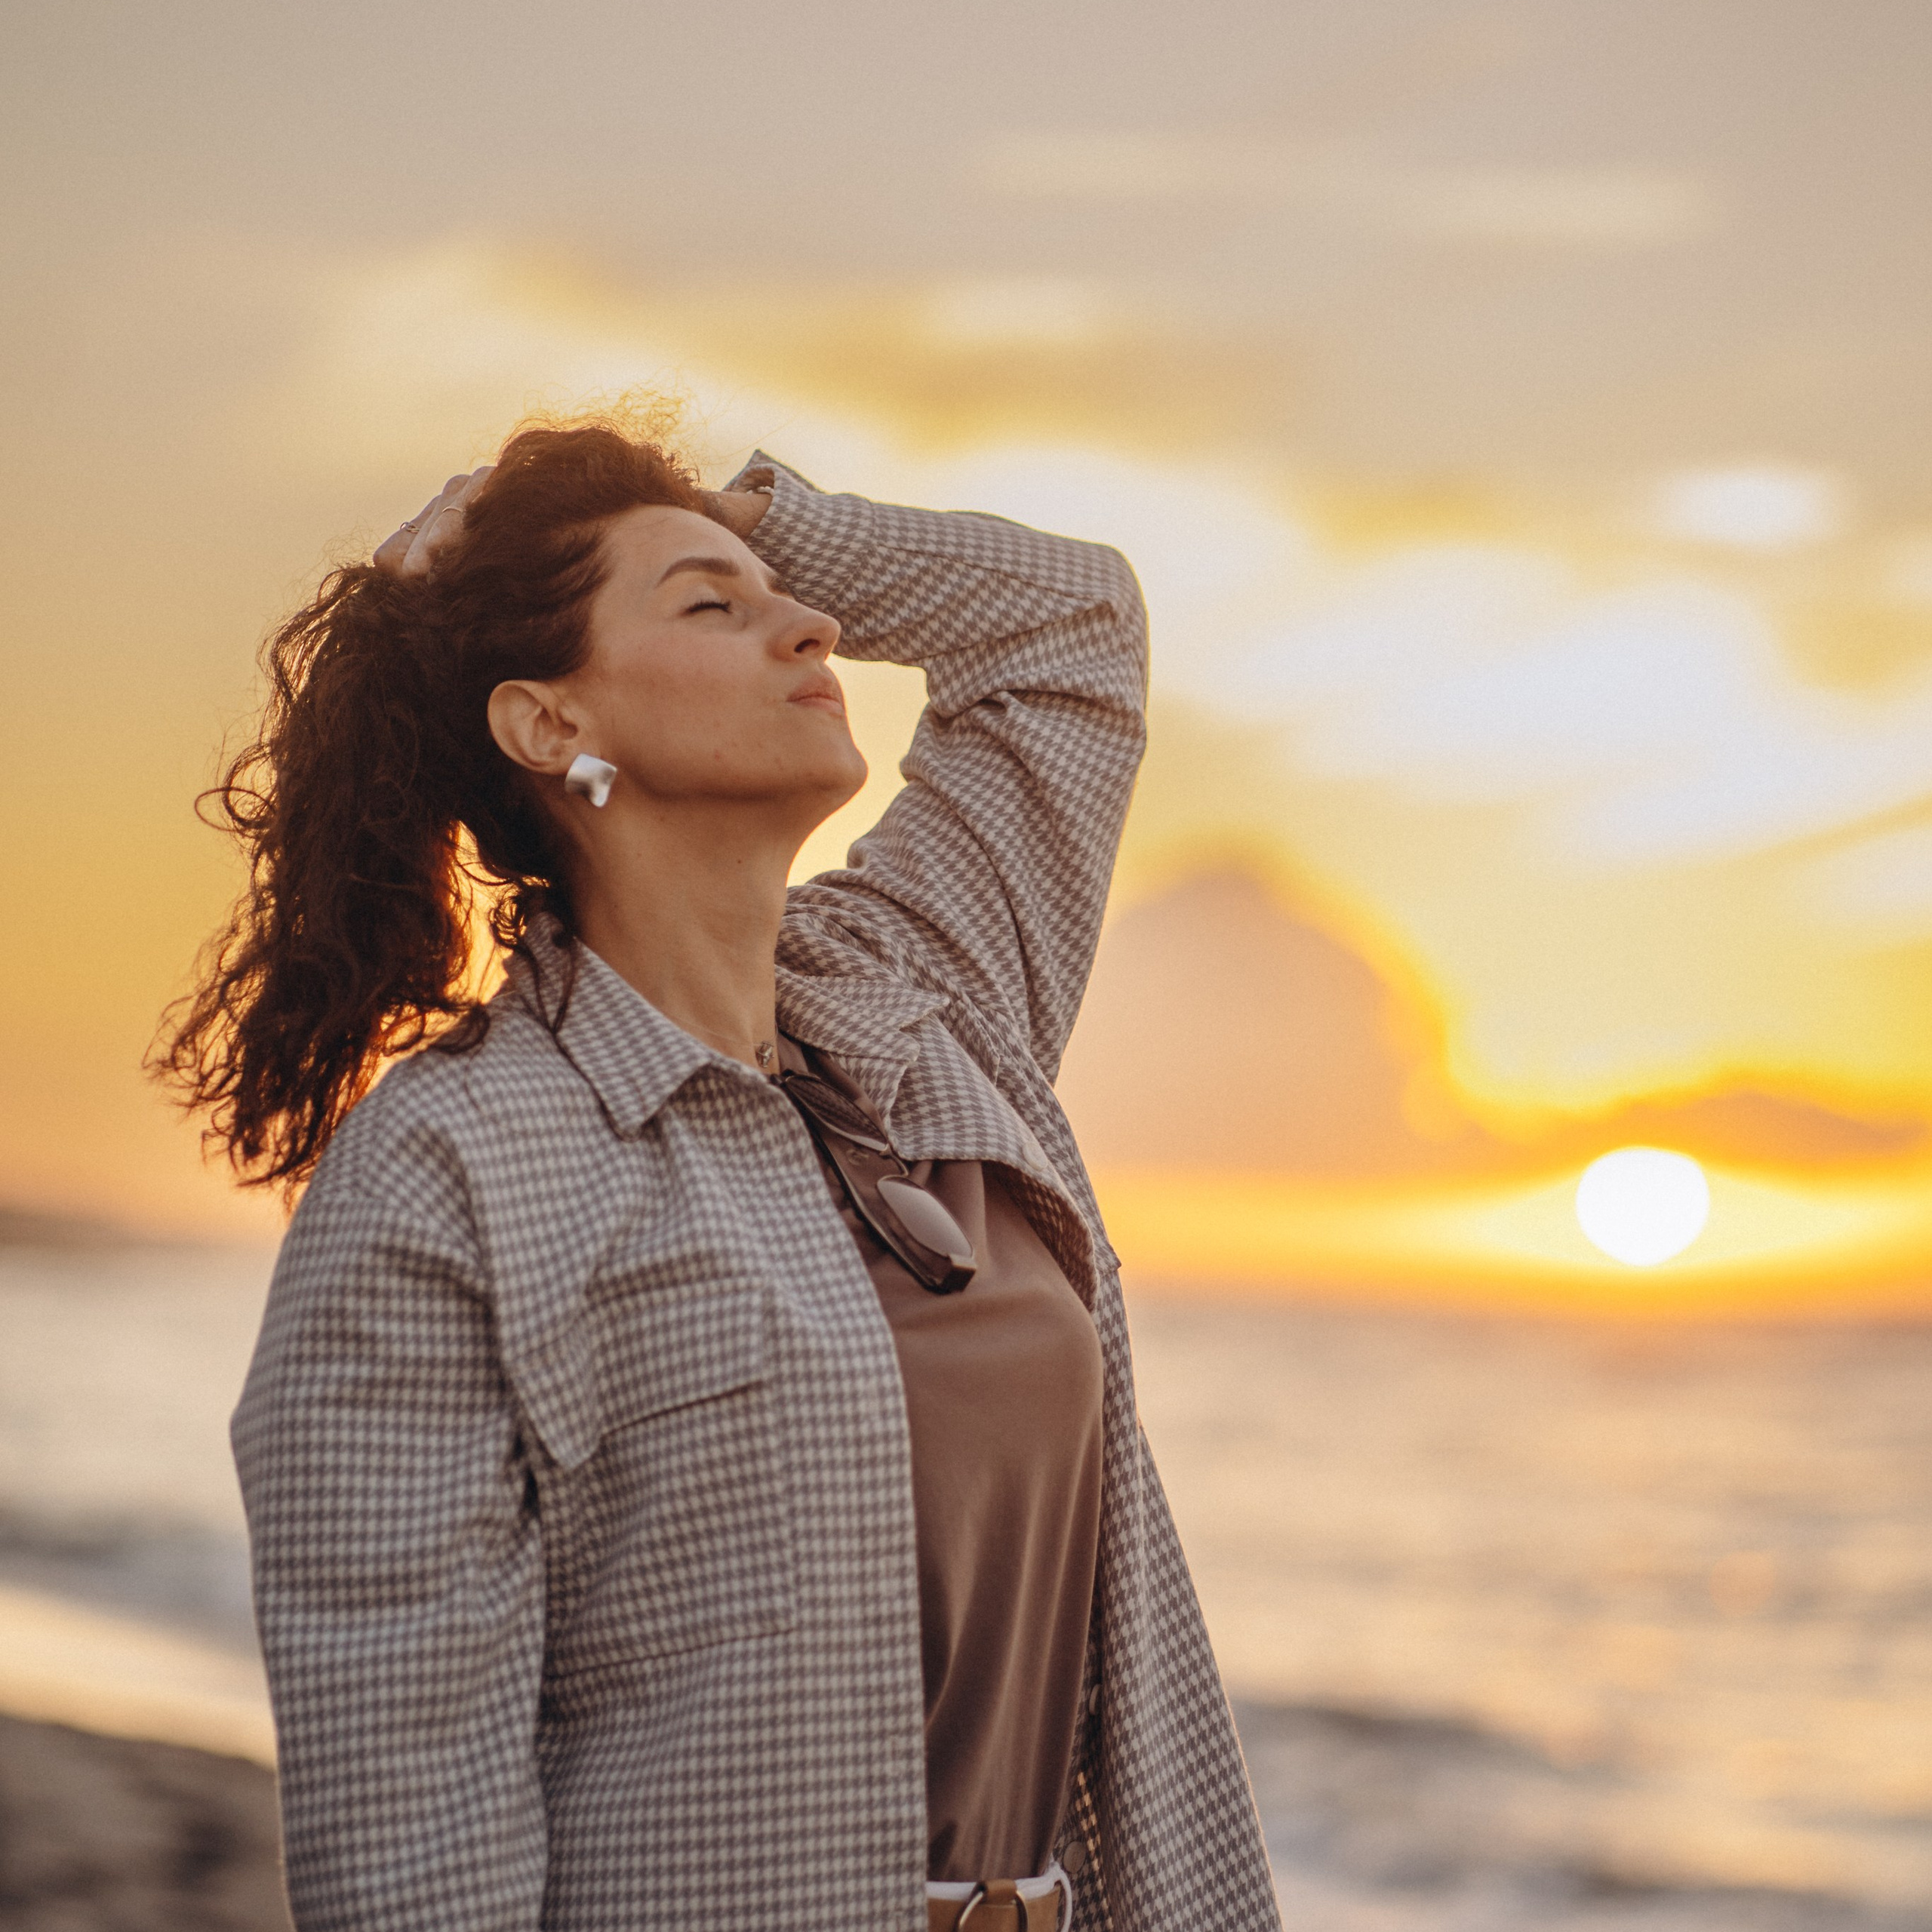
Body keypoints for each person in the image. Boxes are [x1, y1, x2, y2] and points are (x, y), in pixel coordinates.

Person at [159, 414, 1281, 1932]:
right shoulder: (445, 1176)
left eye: (781, 594)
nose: (808, 624)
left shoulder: (928, 998)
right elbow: (412, 1851)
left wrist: (720, 514)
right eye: (713, 604)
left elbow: (1067, 622)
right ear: (551, 727)